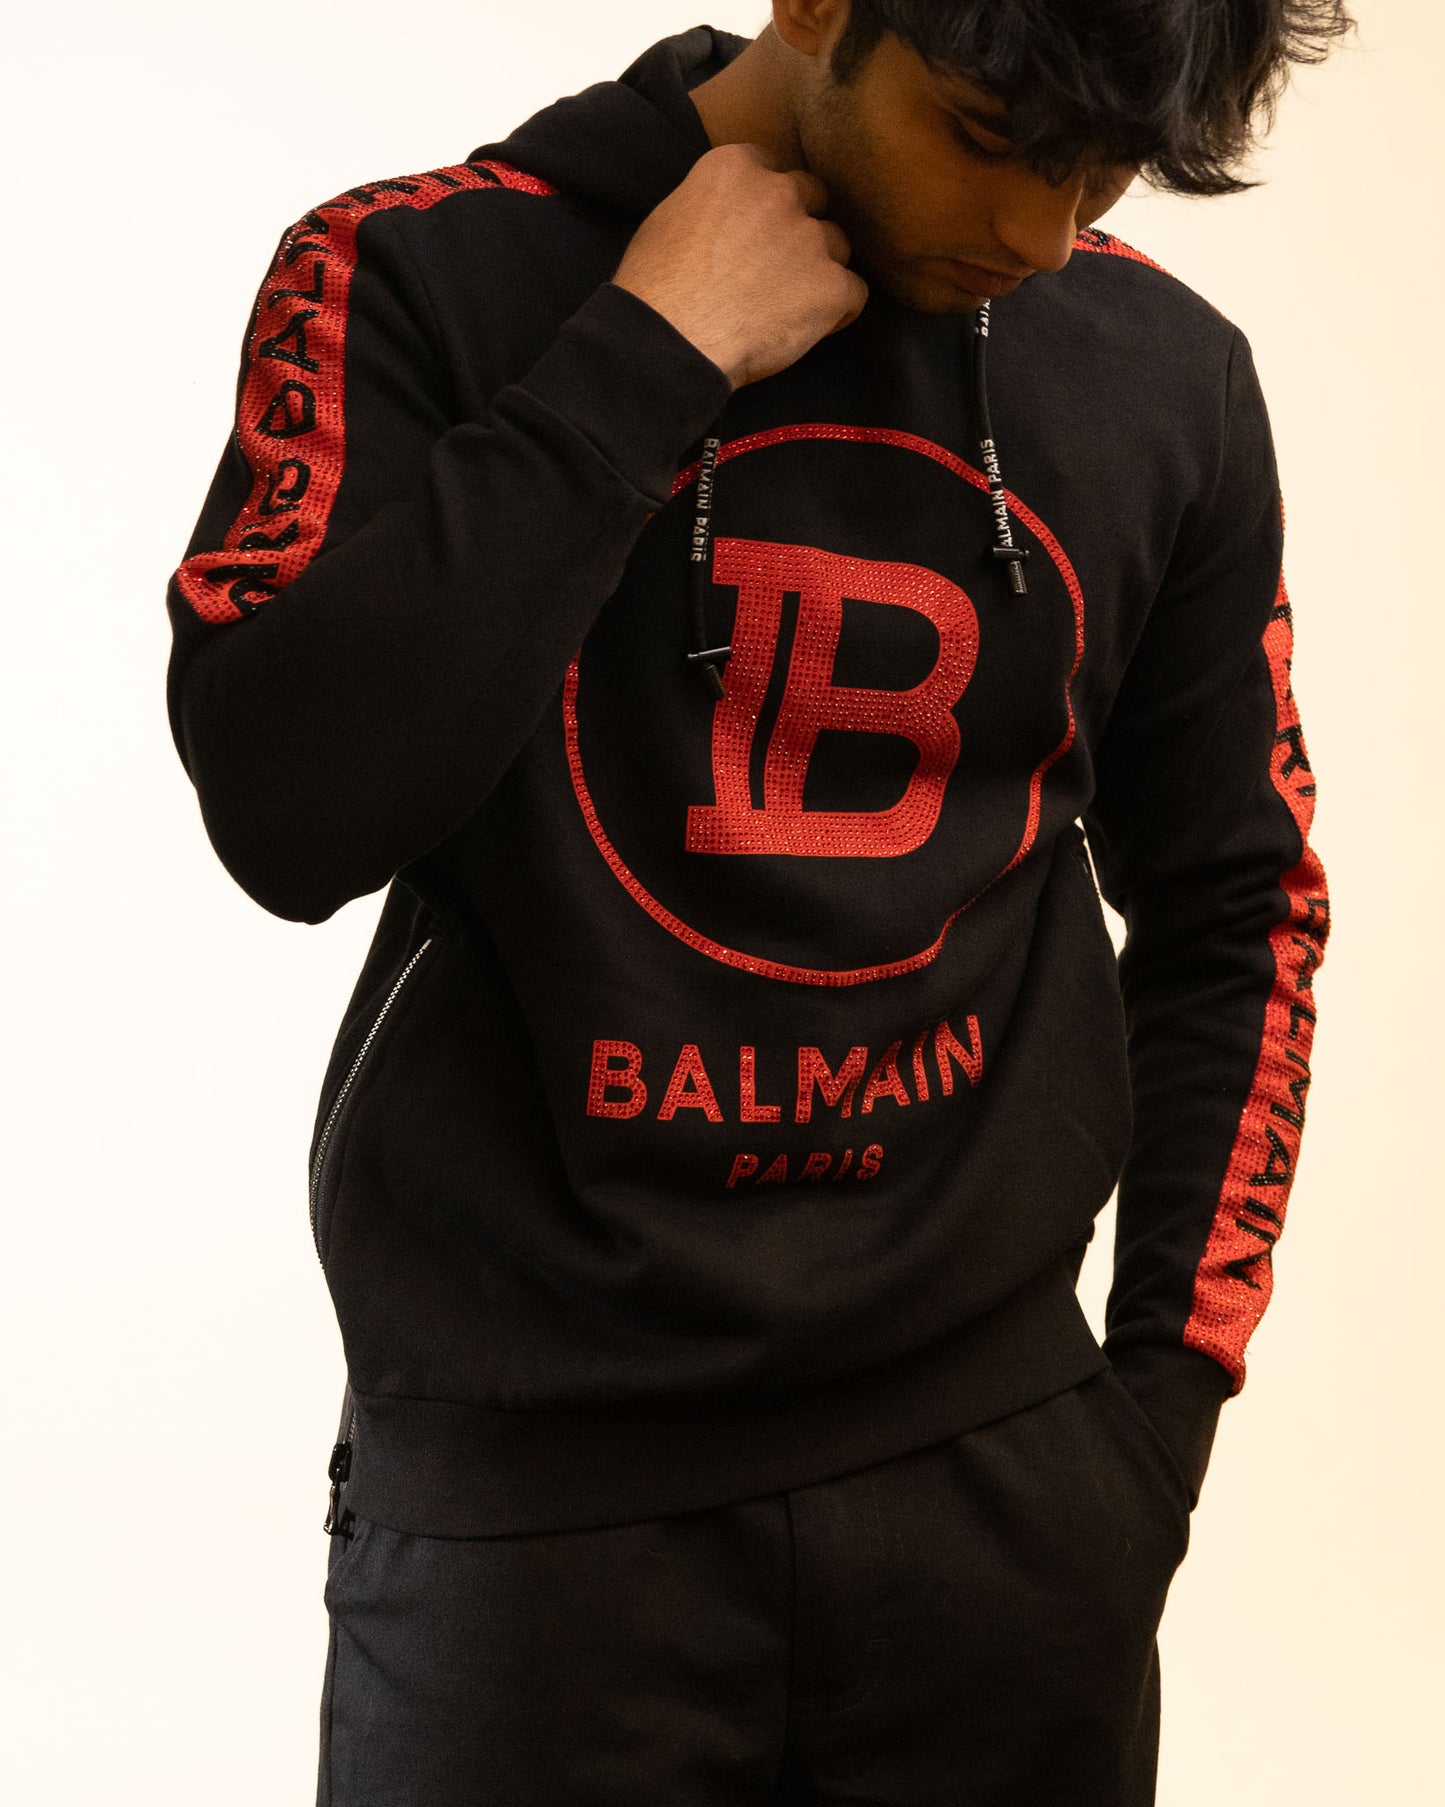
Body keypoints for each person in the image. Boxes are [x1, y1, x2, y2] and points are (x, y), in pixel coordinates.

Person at [164, 3, 1347, 1801]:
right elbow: (288, 816)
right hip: (532, 1524)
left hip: (1005, 1504)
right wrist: (643, 356)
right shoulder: (420, 273)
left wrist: (1154, 1424)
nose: (1038, 234)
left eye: (1100, 173)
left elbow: (1237, 905)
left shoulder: (1157, 371)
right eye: (986, 136)